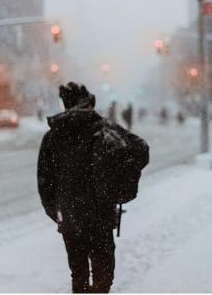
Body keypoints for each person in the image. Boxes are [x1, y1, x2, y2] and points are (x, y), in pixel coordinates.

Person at [37, 82, 149, 293]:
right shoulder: (105, 130)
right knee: (103, 274)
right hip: (100, 214)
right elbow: (140, 149)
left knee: (78, 274)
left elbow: (45, 183)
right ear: (88, 104)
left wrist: (59, 212)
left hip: (70, 217)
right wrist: (121, 179)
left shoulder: (52, 136)